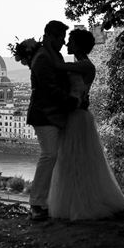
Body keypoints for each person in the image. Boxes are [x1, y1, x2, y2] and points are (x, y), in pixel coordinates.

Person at [47, 28, 124, 221]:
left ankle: (81, 203)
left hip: (78, 116)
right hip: (73, 114)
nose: (67, 45)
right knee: (69, 159)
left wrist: (45, 46)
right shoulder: (79, 65)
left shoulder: (86, 66)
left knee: (77, 159)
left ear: (78, 45)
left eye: (69, 41)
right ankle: (74, 202)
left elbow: (56, 66)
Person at [26, 20, 80, 221]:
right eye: (61, 39)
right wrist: (72, 101)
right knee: (49, 155)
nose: (63, 43)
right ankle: (37, 203)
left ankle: (45, 202)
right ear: (51, 36)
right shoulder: (43, 58)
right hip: (45, 113)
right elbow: (49, 88)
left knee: (53, 156)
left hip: (51, 114)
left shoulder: (49, 55)